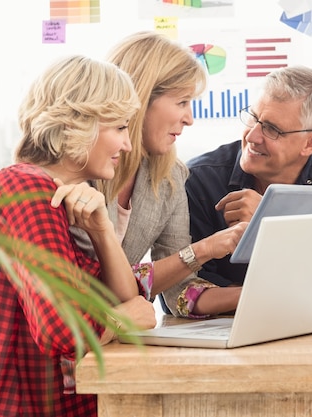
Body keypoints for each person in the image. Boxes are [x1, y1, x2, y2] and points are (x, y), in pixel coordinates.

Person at [0, 55, 157, 417]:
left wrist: (101, 231)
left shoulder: (56, 198)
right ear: (78, 124)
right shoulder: (23, 186)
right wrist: (123, 318)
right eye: (119, 127)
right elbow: (64, 332)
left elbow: (128, 300)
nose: (127, 145)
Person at [179, 65, 312, 310]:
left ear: (311, 143)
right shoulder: (199, 180)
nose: (252, 136)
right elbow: (184, 294)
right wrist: (295, 295)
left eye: (272, 129)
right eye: (253, 117)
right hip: (228, 333)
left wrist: (272, 220)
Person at [70, 31, 247, 318]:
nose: (190, 118)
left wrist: (250, 294)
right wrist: (203, 249)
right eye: (182, 102)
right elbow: (97, 286)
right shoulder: (78, 167)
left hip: (110, 336)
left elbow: (179, 290)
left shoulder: (170, 177)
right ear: (140, 99)